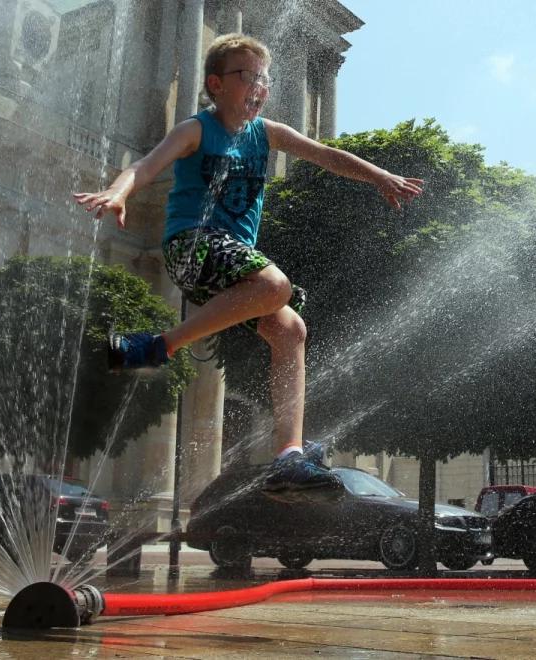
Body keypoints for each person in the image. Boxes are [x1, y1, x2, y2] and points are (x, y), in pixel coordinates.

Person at [73, 33, 423, 499]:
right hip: (191, 246)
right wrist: (119, 192)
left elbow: (326, 156)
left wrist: (378, 175)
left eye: (264, 79)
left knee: (291, 331)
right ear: (216, 85)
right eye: (247, 77)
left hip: (231, 264)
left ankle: (288, 457)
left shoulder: (268, 133)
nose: (258, 86)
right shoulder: (196, 129)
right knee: (275, 285)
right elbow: (145, 165)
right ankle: (160, 347)